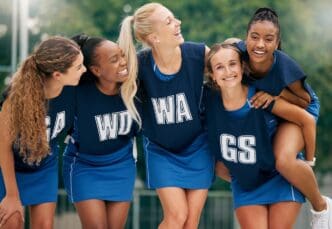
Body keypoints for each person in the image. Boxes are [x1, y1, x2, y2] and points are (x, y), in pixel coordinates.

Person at [232, 7, 331, 228]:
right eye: (254, 37)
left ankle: (321, 206)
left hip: (297, 106)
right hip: (272, 106)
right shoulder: (237, 53)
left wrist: (275, 92)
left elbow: (304, 101)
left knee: (284, 160)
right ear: (246, 37)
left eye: (268, 39)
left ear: (277, 43)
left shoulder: (285, 66)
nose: (260, 45)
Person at [118, 3, 214, 228]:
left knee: (191, 222)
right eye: (169, 21)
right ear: (154, 37)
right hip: (162, 150)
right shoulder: (138, 65)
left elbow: (230, 70)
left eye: (174, 18)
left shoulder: (198, 54)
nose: (178, 22)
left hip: (198, 146)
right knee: (177, 216)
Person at [204, 42, 317, 229]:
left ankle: (322, 207)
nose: (228, 71)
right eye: (219, 67)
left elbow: (305, 119)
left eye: (232, 64)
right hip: (248, 185)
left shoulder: (260, 98)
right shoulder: (208, 103)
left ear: (242, 67)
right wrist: (244, 172)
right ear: (212, 76)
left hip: (279, 176)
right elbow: (217, 161)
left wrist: (308, 162)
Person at [0, 36, 85, 229]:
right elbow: (3, 147)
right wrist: (12, 196)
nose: (84, 70)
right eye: (79, 67)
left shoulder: (73, 90)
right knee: (11, 222)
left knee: (45, 226)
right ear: (57, 74)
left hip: (44, 166)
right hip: (9, 168)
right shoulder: (15, 99)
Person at [62, 34, 141, 229]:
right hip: (84, 166)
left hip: (121, 165)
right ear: (96, 70)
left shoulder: (134, 88)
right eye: (114, 60)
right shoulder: (77, 92)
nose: (123, 62)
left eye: (122, 55)